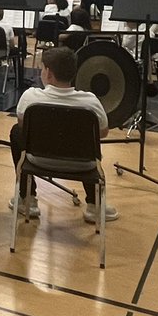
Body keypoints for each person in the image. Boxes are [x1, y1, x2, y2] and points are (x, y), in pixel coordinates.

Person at [10, 46, 118, 223]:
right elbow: (103, 132)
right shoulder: (90, 101)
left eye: (43, 69)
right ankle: (95, 204)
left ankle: (27, 198)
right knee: (91, 138)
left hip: (39, 160)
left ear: (49, 73)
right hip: (84, 165)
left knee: (16, 132)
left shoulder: (31, 97)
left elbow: (23, 125)